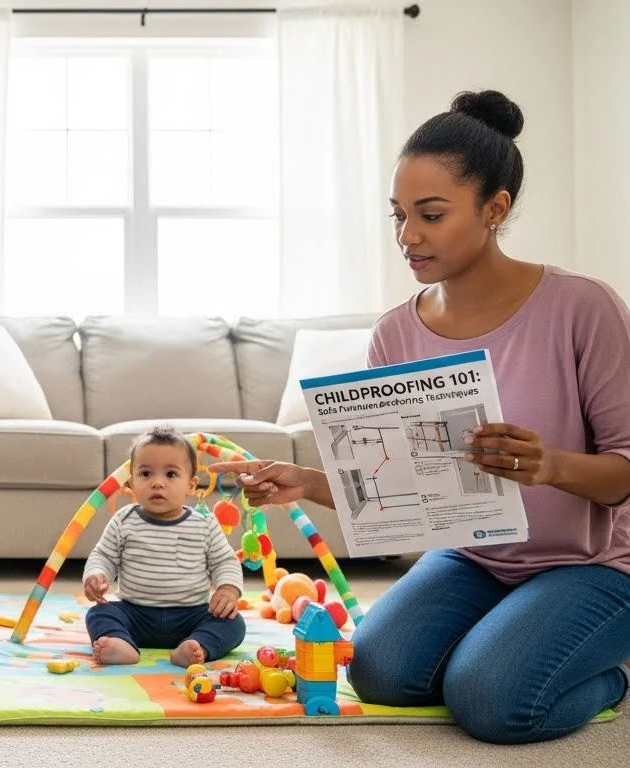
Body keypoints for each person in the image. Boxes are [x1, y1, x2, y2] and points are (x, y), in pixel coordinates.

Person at [210, 90, 630, 744]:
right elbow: (410, 484)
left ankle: (609, 675)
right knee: (376, 670)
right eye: (398, 215)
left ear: (494, 209)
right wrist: (312, 482)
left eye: (430, 215)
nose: (408, 236)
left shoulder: (582, 307)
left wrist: (550, 465)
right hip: (472, 557)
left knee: (490, 702)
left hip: (595, 566)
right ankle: (512, 636)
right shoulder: (395, 334)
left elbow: (623, 470)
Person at [83, 426, 245, 668]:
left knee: (234, 623)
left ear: (191, 486)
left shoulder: (204, 522)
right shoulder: (123, 519)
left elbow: (224, 561)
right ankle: (119, 643)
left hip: (191, 615)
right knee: (98, 614)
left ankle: (196, 645)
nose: (157, 483)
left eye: (170, 474)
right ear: (131, 482)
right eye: (146, 474)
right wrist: (97, 574)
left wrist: (228, 590)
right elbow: (103, 555)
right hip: (134, 614)